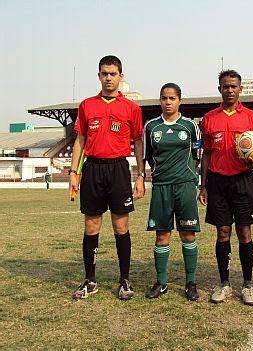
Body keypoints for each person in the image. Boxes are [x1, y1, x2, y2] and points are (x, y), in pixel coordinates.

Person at [69, 55, 145, 300]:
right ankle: (90, 280)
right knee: (91, 225)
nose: (109, 78)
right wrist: (74, 172)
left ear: (121, 76)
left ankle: (124, 280)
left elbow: (138, 141)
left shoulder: (131, 108)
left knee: (120, 226)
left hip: (119, 169)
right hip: (92, 169)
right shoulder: (87, 105)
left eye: (113, 74)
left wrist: (140, 174)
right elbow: (80, 140)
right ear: (99, 75)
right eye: (104, 73)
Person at [198, 69, 253, 305]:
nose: (230, 90)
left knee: (245, 232)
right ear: (220, 89)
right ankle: (224, 283)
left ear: (240, 89)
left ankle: (247, 285)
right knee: (222, 231)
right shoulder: (209, 118)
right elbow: (206, 155)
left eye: (234, 86)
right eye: (225, 86)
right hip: (217, 181)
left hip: (243, 181)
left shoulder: (251, 117)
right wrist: (203, 186)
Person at [143, 83, 202, 301]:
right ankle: (161, 282)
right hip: (161, 186)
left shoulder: (190, 126)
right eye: (164, 98)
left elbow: (197, 155)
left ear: (179, 101)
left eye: (172, 98)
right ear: (160, 100)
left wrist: (185, 173)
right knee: (162, 234)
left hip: (185, 185)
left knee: (188, 233)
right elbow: (149, 157)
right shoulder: (151, 127)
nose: (168, 102)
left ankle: (191, 282)